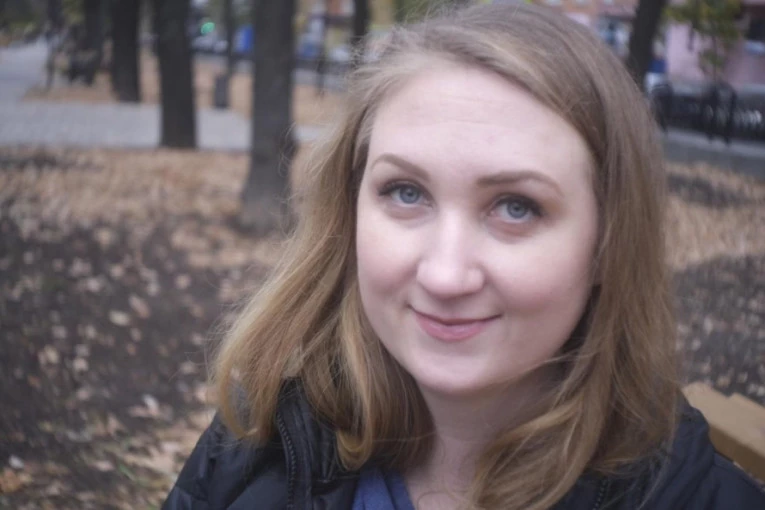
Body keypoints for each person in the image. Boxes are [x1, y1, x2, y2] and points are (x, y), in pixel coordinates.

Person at [162, 4, 765, 509]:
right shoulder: (255, 443)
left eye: (517, 207)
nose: (445, 275)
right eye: (406, 193)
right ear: (350, 213)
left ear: (609, 244)